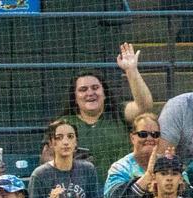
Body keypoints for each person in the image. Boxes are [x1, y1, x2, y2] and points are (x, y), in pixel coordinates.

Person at [52, 45, 155, 181]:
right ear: (75, 97)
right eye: (83, 89)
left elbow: (144, 107)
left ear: (104, 93)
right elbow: (48, 159)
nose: (90, 93)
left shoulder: (119, 113)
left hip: (122, 188)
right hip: (83, 192)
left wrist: (131, 70)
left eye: (95, 88)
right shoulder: (64, 124)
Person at [104, 113, 193, 198]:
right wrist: (148, 175)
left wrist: (174, 172)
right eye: (143, 134)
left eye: (155, 134)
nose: (149, 138)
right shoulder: (120, 168)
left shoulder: (171, 164)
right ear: (132, 138)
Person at [30, 120, 102, 198]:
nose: (65, 142)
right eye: (59, 137)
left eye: (70, 136)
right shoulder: (39, 174)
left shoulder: (88, 169)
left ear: (76, 142)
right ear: (51, 143)